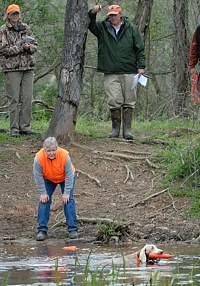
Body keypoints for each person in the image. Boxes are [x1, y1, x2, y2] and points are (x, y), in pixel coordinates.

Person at [88, 4, 146, 140]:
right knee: (113, 99)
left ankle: (127, 130)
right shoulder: (102, 28)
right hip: (110, 70)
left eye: (115, 15)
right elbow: (90, 25)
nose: (113, 17)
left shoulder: (131, 28)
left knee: (129, 100)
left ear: (120, 14)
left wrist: (141, 66)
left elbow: (140, 48)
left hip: (129, 70)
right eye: (110, 15)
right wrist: (92, 13)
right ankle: (115, 129)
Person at [0, 4, 37, 137]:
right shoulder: (3, 30)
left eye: (17, 13)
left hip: (28, 67)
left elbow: (35, 45)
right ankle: (14, 128)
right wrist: (20, 47)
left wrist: (28, 47)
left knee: (27, 99)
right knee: (14, 99)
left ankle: (25, 128)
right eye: (12, 13)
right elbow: (3, 50)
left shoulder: (26, 28)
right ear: (8, 15)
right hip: (12, 69)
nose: (15, 16)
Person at [33, 137, 78, 241]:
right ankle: (42, 230)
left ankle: (72, 229)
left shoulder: (64, 156)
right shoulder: (38, 158)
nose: (51, 153)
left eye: (53, 150)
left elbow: (70, 175)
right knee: (44, 201)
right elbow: (38, 176)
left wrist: (66, 192)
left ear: (57, 149)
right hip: (48, 178)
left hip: (65, 178)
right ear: (44, 150)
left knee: (68, 200)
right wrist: (43, 193)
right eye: (49, 151)